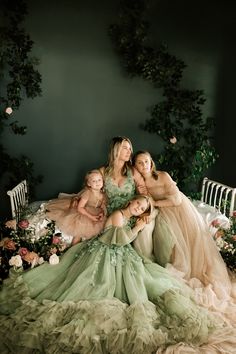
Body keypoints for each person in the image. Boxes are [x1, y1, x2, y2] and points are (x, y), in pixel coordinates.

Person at [1, 194, 234, 354]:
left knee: (145, 281)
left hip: (120, 254)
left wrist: (143, 218)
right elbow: (119, 239)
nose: (138, 209)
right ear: (131, 201)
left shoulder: (129, 217)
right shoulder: (118, 215)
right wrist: (137, 228)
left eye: (142, 209)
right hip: (104, 253)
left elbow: (127, 237)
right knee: (96, 285)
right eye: (137, 205)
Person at [132, 150, 236, 305]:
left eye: (146, 161)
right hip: (162, 211)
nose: (144, 165)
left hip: (178, 208)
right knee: (167, 238)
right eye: (140, 163)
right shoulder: (140, 183)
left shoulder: (162, 175)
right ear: (136, 166)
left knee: (188, 237)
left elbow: (176, 200)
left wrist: (155, 204)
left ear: (151, 162)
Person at [45, 169, 107, 244]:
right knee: (79, 232)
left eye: (99, 180)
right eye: (94, 181)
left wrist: (102, 213)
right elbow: (80, 208)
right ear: (89, 184)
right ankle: (72, 250)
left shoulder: (103, 194)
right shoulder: (87, 193)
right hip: (84, 213)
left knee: (98, 232)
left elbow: (102, 207)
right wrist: (91, 217)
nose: (97, 182)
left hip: (95, 212)